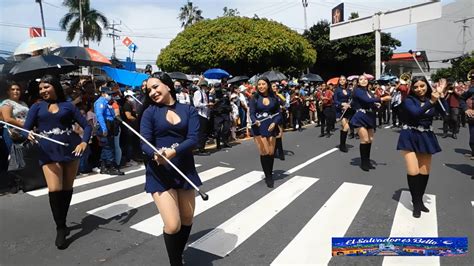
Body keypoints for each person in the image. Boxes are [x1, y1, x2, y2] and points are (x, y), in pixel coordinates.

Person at [23, 75, 92, 249]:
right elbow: (25, 128)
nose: (43, 91)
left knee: (67, 189)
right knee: (54, 189)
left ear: (54, 86)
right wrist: (27, 134)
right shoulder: (36, 107)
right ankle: (60, 227)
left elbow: (87, 126)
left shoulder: (68, 105)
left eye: (46, 87)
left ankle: (63, 219)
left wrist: (84, 141)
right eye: (41, 89)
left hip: (70, 148)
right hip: (47, 151)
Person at [140, 72, 201, 265]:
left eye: (156, 87)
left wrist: (174, 152)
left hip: (185, 170)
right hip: (160, 172)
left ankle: (178, 253)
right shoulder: (149, 113)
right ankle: (175, 262)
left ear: (168, 86)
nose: (152, 92)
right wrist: (155, 154)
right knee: (173, 225)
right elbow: (144, 143)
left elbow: (194, 138)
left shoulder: (188, 110)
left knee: (187, 219)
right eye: (149, 90)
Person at [396, 77, 447, 218]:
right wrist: (432, 101)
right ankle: (416, 202)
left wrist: (441, 96)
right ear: (412, 88)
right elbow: (416, 113)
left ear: (427, 86)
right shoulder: (409, 100)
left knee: (424, 171)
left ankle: (419, 199)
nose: (419, 89)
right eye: (416, 87)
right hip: (409, 135)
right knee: (413, 171)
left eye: (422, 86)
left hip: (426, 136)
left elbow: (446, 115)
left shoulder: (434, 98)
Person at [350, 74, 391, 171]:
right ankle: (364, 163)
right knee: (364, 140)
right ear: (358, 82)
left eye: (365, 79)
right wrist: (381, 98)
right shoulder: (357, 91)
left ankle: (367, 161)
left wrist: (377, 105)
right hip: (360, 116)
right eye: (361, 79)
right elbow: (366, 100)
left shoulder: (369, 92)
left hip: (370, 117)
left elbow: (371, 102)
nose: (363, 81)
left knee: (370, 140)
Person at [249, 77, 282, 188]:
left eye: (263, 84)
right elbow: (252, 113)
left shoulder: (274, 98)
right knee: (264, 152)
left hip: (271, 126)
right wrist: (255, 121)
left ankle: (270, 172)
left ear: (268, 85)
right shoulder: (254, 98)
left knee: (271, 152)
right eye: (259, 84)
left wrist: (275, 123)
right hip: (259, 128)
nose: (261, 86)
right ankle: (268, 176)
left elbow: (278, 113)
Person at [94, 87, 124, 175]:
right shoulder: (100, 102)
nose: (110, 96)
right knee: (109, 147)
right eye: (109, 94)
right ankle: (111, 167)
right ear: (103, 93)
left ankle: (104, 167)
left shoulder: (107, 102)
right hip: (105, 125)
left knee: (106, 147)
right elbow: (99, 116)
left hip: (109, 125)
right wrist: (104, 128)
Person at [334, 75, 353, 152]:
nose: (342, 81)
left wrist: (349, 104)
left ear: (346, 81)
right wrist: (342, 104)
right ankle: (342, 145)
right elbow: (335, 101)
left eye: (343, 79)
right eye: (340, 80)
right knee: (346, 127)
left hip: (347, 111)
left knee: (344, 127)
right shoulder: (337, 90)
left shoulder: (348, 90)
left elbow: (351, 99)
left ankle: (342, 144)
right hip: (340, 110)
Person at [192, 80, 211, 155]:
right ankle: (200, 149)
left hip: (205, 114)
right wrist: (206, 105)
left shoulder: (204, 93)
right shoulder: (198, 93)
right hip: (200, 114)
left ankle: (202, 148)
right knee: (201, 132)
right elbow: (196, 104)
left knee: (204, 132)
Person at [459, 71, 474, 162]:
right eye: (472, 79)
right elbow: (462, 98)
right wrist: (466, 109)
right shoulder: (472, 90)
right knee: (472, 139)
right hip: (472, 118)